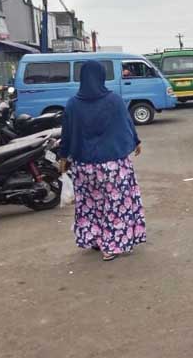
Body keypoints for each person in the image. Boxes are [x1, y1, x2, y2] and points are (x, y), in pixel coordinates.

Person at [58, 61, 146, 261]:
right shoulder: (113, 100)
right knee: (115, 205)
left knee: (91, 205)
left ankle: (96, 239)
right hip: (112, 166)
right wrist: (136, 141)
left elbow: (67, 134)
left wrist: (63, 157)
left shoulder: (73, 103)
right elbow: (126, 123)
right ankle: (112, 245)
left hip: (84, 166)